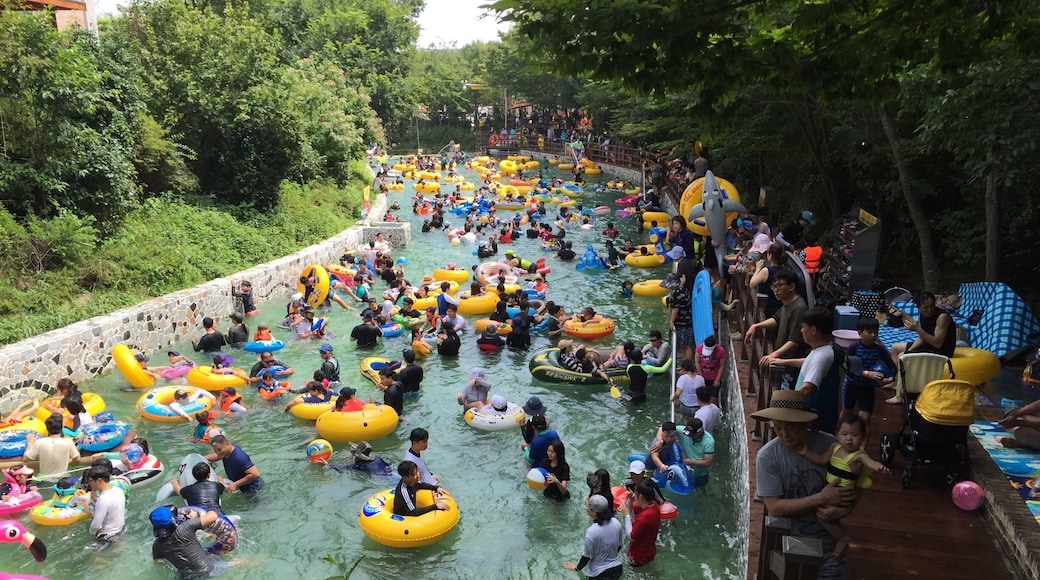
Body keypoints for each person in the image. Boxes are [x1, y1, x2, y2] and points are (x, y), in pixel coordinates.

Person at [753, 389, 857, 578]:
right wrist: (821, 498)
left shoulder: (831, 446)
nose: (785, 434)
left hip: (829, 542)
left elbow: (852, 489)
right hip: (786, 543)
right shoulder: (768, 457)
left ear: (805, 422)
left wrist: (843, 510)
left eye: (791, 427)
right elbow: (775, 507)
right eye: (778, 427)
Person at [797, 414, 890, 556]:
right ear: (837, 435)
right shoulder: (834, 448)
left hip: (844, 496)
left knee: (824, 515)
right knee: (824, 514)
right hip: (831, 492)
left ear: (863, 437)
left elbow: (870, 462)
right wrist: (806, 453)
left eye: (855, 435)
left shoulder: (859, 455)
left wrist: (879, 467)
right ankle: (839, 536)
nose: (849, 438)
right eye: (844, 434)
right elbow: (821, 459)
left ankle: (842, 538)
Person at [887, 290, 956, 404]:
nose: (929, 310)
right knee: (895, 348)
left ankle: (900, 395)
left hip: (941, 350)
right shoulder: (922, 314)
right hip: (928, 345)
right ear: (918, 307)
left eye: (932, 306)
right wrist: (910, 351)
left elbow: (937, 343)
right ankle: (897, 382)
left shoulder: (942, 317)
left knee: (901, 357)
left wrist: (917, 329)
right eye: (925, 307)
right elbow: (922, 337)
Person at [744, 269, 809, 389]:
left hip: (789, 367)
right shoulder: (787, 304)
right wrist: (756, 325)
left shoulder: (799, 308)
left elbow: (794, 341)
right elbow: (776, 319)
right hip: (782, 362)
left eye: (780, 286)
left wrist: (773, 355)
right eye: (774, 286)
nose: (776, 290)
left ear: (792, 286)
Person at [841, 317, 895, 441]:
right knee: (846, 413)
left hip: (867, 387)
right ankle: (839, 439)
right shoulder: (853, 348)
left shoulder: (879, 349)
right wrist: (866, 374)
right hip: (851, 385)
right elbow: (848, 367)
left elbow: (892, 366)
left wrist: (890, 378)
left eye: (875, 332)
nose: (873, 335)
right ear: (860, 333)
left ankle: (862, 447)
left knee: (865, 418)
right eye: (869, 332)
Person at [562, 494, 623, 578]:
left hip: (599, 574)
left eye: (587, 506)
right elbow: (619, 546)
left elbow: (586, 557)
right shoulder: (616, 522)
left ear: (594, 512)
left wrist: (577, 568)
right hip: (617, 570)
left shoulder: (592, 531)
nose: (586, 508)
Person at [23, 413, 100, 477]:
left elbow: (25, 459)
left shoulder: (39, 442)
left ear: (47, 429)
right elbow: (77, 459)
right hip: (62, 478)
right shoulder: (68, 442)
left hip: (44, 478)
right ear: (62, 428)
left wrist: (30, 443)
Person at [151, 505, 219, 577]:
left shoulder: (157, 546)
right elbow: (213, 516)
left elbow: (157, 563)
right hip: (207, 569)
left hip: (185, 576)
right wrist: (209, 510)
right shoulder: (187, 526)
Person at [618, 483, 661, 567]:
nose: (634, 495)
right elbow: (632, 509)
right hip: (650, 551)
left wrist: (627, 516)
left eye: (635, 494)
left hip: (638, 556)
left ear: (641, 497)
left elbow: (631, 536)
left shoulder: (643, 518)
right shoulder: (654, 506)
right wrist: (630, 499)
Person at [84, 465, 125, 543]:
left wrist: (91, 533)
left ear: (99, 480)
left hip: (106, 536)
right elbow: (112, 508)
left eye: (90, 481)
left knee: (95, 555)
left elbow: (96, 525)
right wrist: (96, 501)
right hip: (121, 529)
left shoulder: (103, 499)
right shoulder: (118, 490)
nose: (89, 484)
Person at [318, 441, 394, 476]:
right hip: (392, 473)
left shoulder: (360, 465)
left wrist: (327, 464)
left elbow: (342, 469)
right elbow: (389, 465)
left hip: (383, 479)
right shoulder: (378, 458)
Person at [678, 418, 714, 488]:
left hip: (699, 475)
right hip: (686, 470)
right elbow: (663, 428)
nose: (689, 436)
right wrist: (659, 443)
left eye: (692, 434)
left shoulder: (709, 441)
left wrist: (689, 461)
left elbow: (707, 462)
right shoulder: (684, 432)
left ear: (699, 432)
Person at [695, 335, 727, 403]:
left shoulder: (721, 351)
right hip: (703, 376)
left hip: (714, 378)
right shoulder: (699, 348)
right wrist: (701, 376)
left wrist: (717, 380)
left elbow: (721, 366)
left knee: (713, 399)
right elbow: (697, 362)